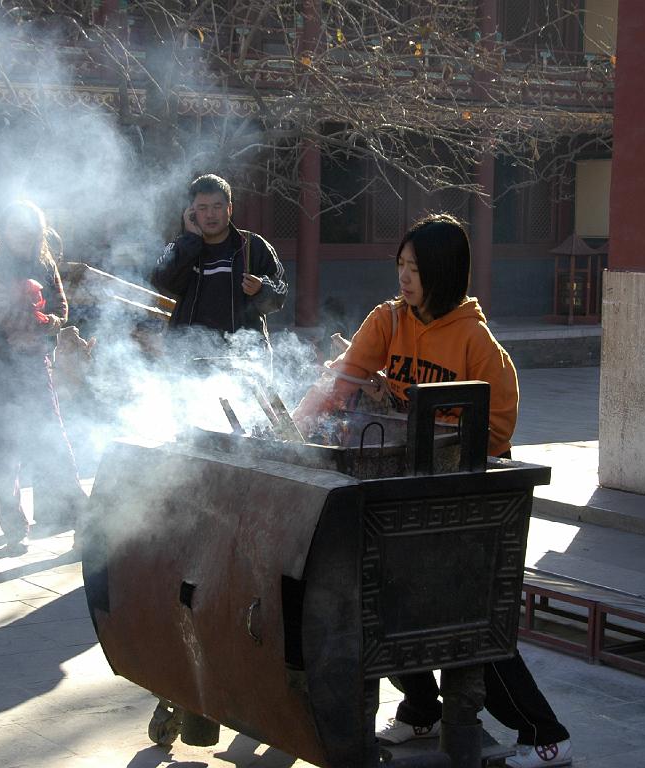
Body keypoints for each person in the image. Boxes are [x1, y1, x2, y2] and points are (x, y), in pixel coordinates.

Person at [293, 213, 572, 768]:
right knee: (382, 606)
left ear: (443, 273)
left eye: (415, 269)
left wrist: (419, 422)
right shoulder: (387, 322)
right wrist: (292, 432)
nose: (404, 277)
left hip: (466, 501)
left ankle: (545, 733)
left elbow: (496, 433)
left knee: (465, 623)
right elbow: (341, 382)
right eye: (400, 265)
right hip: (402, 490)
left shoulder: (477, 342)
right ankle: (422, 707)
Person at [0, 199, 86, 550]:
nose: (23, 236)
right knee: (7, 445)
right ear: (3, 231)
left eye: (30, 230)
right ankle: (12, 522)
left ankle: (76, 509)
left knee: (53, 437)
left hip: (34, 364)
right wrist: (41, 324)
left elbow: (61, 309)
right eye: (16, 229)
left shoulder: (45, 264)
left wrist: (47, 323)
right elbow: (2, 316)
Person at [150, 174, 287, 347]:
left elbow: (280, 292)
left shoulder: (253, 246)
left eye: (217, 206)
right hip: (188, 356)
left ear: (229, 209)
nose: (210, 214)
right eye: (202, 208)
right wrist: (191, 239)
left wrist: (261, 288)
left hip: (244, 357)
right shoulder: (179, 247)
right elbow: (162, 284)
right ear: (191, 212)